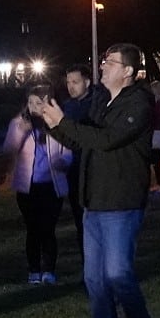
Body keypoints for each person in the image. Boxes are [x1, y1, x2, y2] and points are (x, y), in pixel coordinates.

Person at [33, 43, 160, 318]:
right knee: (94, 279)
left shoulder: (139, 103)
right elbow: (81, 139)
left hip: (120, 201)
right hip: (93, 201)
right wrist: (51, 119)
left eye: (110, 62)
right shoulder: (103, 102)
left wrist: (63, 122)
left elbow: (106, 140)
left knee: (118, 275)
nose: (102, 66)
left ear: (128, 71)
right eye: (103, 61)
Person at [4, 83, 72, 284]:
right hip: (28, 186)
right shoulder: (19, 123)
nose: (33, 106)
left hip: (51, 185)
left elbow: (68, 151)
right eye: (30, 102)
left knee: (48, 229)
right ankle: (34, 270)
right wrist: (21, 132)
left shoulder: (57, 124)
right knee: (32, 229)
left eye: (38, 102)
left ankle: (49, 270)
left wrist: (64, 162)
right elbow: (8, 150)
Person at [60, 64, 96, 245]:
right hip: (73, 168)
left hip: (93, 168)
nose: (70, 86)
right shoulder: (67, 106)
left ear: (87, 82)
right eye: (68, 82)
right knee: (79, 216)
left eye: (75, 82)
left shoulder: (97, 104)